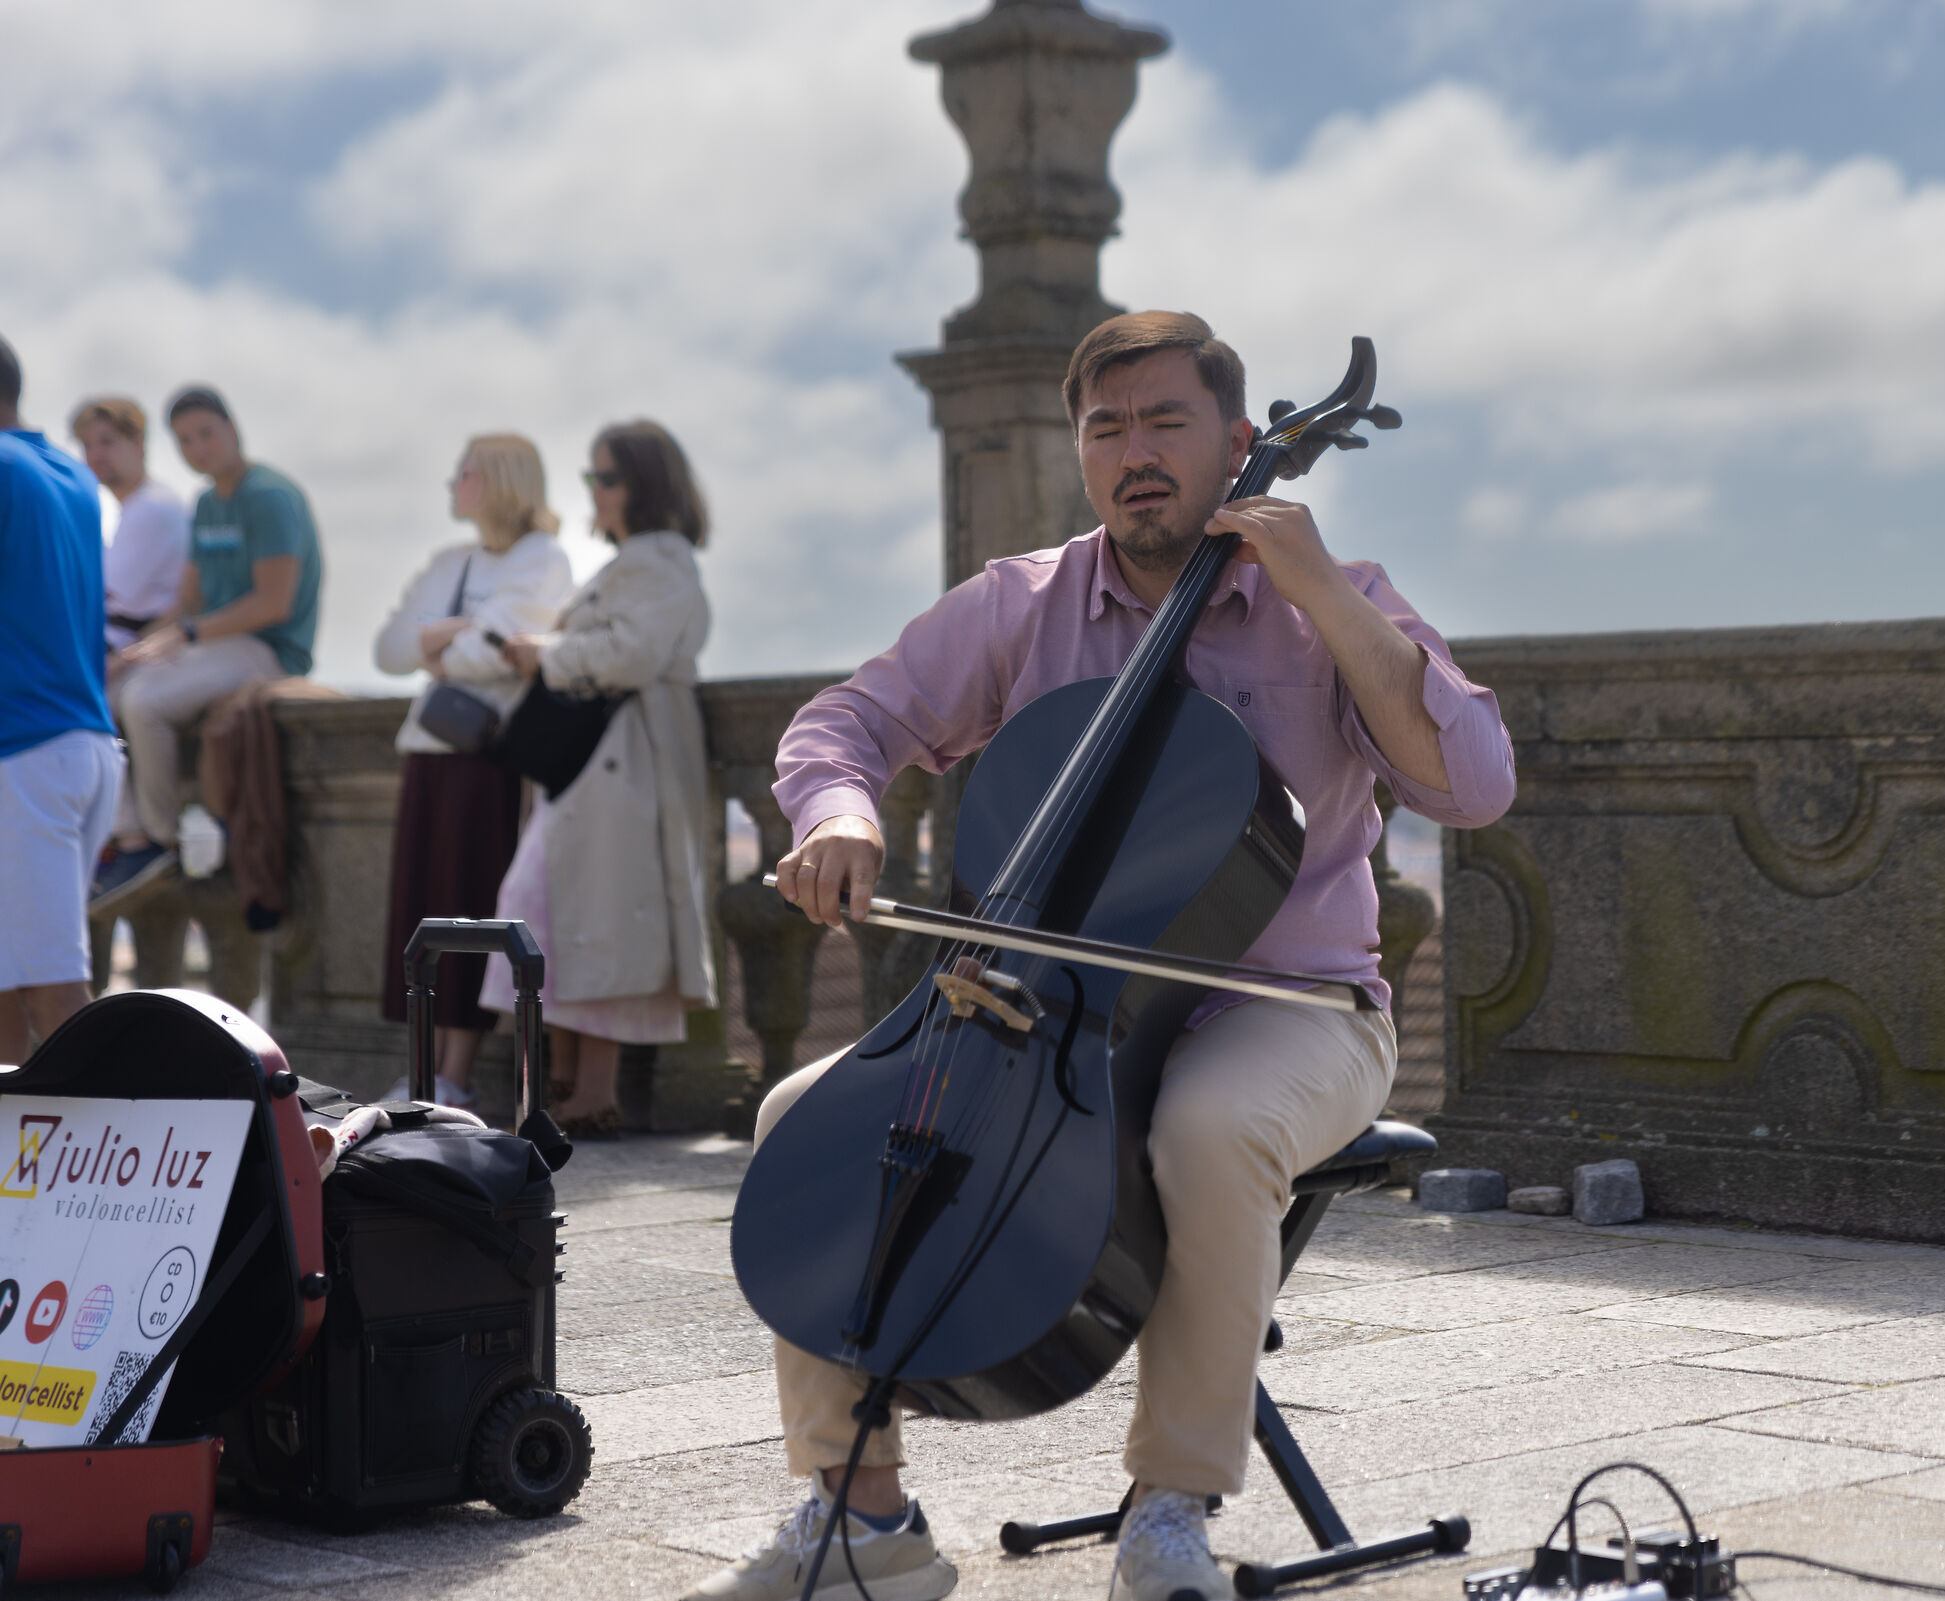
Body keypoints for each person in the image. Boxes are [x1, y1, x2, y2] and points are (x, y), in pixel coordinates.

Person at [697, 311, 1516, 1601]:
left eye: (1166, 422)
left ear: (1240, 444)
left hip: (1294, 1005)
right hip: (1052, 998)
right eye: (1107, 427)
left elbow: (1474, 781)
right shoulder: (1024, 602)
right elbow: (846, 720)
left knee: (1206, 1123)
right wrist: (838, 812)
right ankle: (865, 1522)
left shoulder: (1334, 600)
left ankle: (1173, 1506)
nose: (1136, 452)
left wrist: (1323, 598)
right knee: (810, 1111)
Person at [477, 419, 717, 1138]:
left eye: (607, 477)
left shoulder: (659, 561)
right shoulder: (638, 561)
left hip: (623, 760)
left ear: (645, 486)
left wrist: (547, 655)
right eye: (592, 477)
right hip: (599, 762)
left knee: (597, 913)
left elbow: (632, 653)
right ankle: (571, 1082)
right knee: (556, 908)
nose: (596, 491)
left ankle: (593, 1089)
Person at [374, 434, 573, 1110]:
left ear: (499, 481)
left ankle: (456, 1070)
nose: (453, 485)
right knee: (421, 907)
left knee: (470, 903)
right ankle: (425, 1068)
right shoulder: (448, 561)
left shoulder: (543, 558)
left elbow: (493, 653)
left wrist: (440, 640)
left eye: (465, 474)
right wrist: (454, 632)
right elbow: (390, 648)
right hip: (430, 750)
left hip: (486, 761)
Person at [91, 386, 322, 915]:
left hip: (266, 650)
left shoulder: (269, 496)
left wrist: (187, 635)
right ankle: (126, 835)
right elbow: (187, 598)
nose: (198, 449)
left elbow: (274, 603)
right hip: (212, 644)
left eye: (206, 434)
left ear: (233, 430)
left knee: (145, 702)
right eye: (185, 441)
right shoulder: (206, 502)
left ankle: (161, 838)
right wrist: (133, 650)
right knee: (104, 687)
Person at [0, 335, 123, 1064]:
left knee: (52, 985)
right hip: (81, 744)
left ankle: (135, 1162)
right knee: (12, 979)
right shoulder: (69, 471)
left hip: (25, 754)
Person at [71, 396, 190, 656]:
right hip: (126, 639)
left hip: (131, 646)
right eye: (87, 444)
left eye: (107, 441)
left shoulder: (153, 507)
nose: (95, 454)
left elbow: (95, 594)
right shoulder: (141, 503)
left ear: (138, 444)